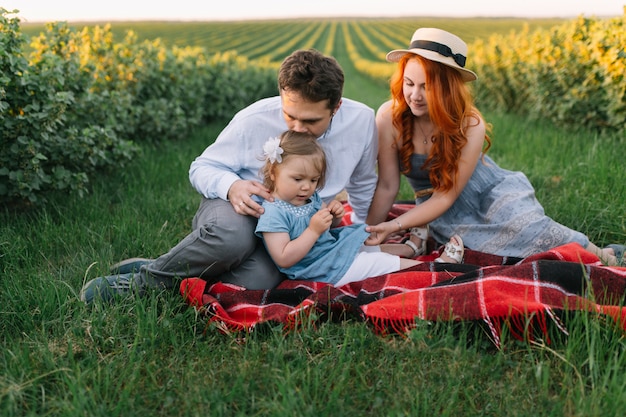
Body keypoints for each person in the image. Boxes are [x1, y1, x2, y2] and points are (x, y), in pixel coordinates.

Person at [80, 49, 382, 304]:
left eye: (311, 120)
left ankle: (171, 269)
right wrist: (232, 186)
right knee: (231, 241)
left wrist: (360, 237)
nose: (298, 128)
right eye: (290, 115)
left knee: (256, 281)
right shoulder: (253, 119)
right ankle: (144, 282)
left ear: (336, 107)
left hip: (293, 226)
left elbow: (364, 182)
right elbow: (201, 167)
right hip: (240, 208)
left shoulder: (361, 121)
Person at [364, 27, 625, 266]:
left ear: (448, 89)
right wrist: (368, 233)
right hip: (435, 207)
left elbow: (447, 194)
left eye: (426, 87)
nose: (415, 95)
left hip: (486, 192)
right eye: (409, 84)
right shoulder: (390, 117)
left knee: (529, 229)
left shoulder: (470, 123)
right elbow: (388, 185)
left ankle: (602, 254)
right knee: (484, 253)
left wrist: (396, 224)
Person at [254, 131, 462, 287]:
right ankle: (439, 269)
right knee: (376, 262)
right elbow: (284, 257)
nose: (307, 186)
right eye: (298, 179)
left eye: (313, 180)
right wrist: (313, 230)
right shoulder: (273, 213)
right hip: (321, 269)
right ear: (273, 173)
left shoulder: (308, 197)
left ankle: (411, 250)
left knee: (363, 245)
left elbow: (325, 230)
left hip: (329, 252)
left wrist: (333, 218)